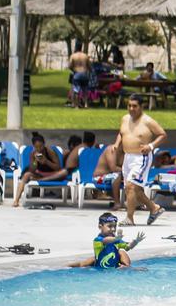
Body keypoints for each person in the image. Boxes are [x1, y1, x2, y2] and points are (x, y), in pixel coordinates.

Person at [114, 93, 167, 225]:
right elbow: (121, 132)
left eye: (135, 106)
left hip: (141, 157)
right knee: (132, 189)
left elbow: (162, 134)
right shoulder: (125, 118)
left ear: (141, 106)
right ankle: (154, 208)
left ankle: (130, 218)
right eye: (129, 105)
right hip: (128, 157)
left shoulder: (148, 121)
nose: (131, 108)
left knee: (131, 186)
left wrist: (151, 145)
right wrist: (116, 144)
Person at [69, 213, 144, 269]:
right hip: (100, 269)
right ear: (100, 226)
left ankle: (128, 268)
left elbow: (128, 247)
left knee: (122, 252)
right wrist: (116, 239)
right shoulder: (98, 240)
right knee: (88, 261)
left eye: (114, 226)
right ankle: (69, 265)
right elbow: (105, 241)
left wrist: (135, 241)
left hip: (115, 268)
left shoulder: (116, 240)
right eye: (110, 226)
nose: (113, 229)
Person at [14, 133, 66, 207]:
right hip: (41, 174)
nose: (39, 149)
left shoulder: (50, 152)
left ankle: (40, 179)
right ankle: (16, 200)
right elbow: (32, 169)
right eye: (36, 147)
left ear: (44, 144)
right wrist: (35, 161)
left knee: (63, 173)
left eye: (41, 146)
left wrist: (46, 162)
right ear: (34, 147)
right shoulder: (33, 154)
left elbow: (58, 167)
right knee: (26, 175)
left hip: (53, 174)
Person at [93, 142, 124, 210]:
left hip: (112, 176)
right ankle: (117, 203)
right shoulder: (111, 150)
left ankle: (137, 202)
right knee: (116, 175)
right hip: (99, 178)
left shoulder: (126, 153)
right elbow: (113, 168)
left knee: (135, 176)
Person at [69, 42, 91, 108]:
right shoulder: (85, 56)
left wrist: (74, 70)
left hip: (77, 74)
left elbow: (70, 66)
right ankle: (86, 104)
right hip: (85, 74)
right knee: (85, 90)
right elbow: (89, 66)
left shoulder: (73, 56)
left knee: (76, 90)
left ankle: (76, 105)